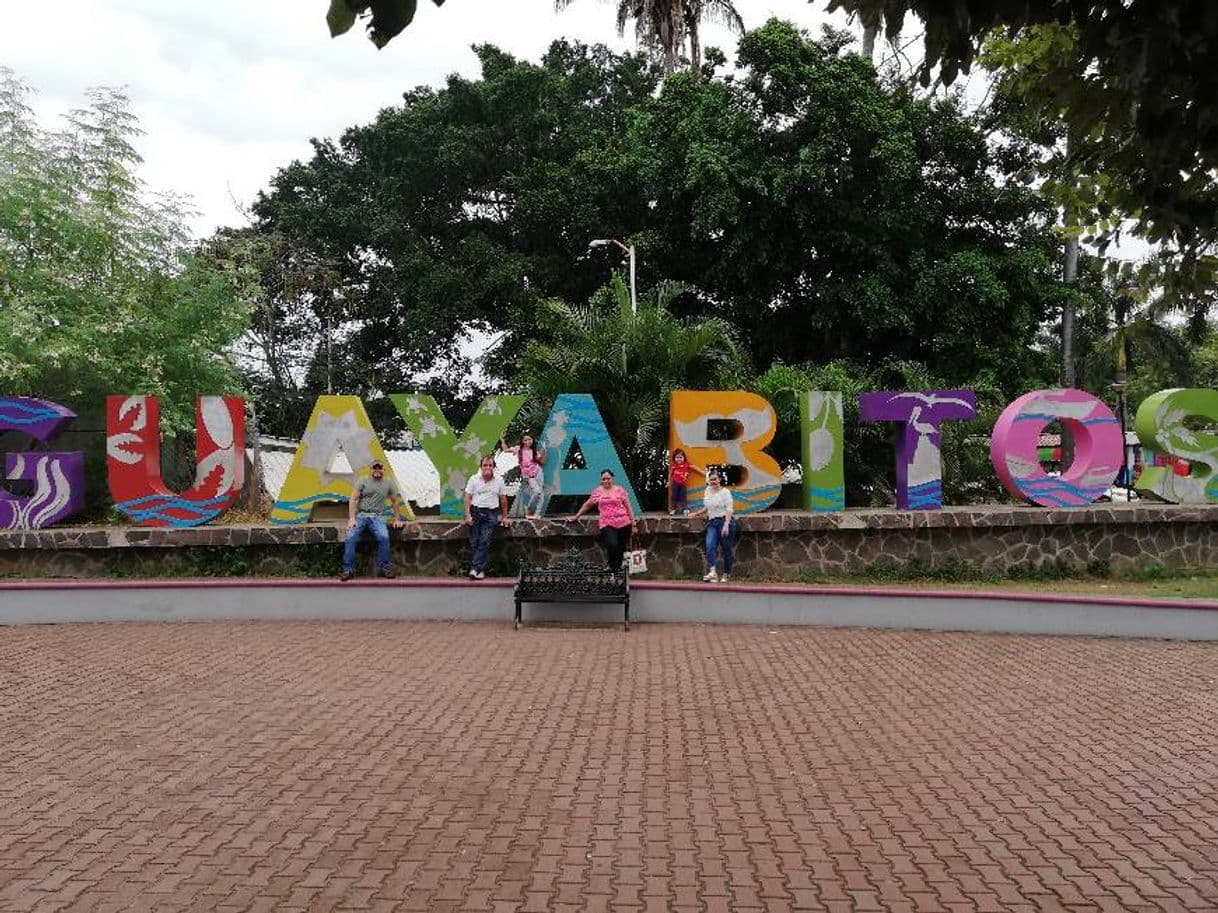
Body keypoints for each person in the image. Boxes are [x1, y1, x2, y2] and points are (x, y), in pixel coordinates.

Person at [340, 460, 406, 581]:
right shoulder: (363, 480)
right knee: (350, 537)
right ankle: (348, 570)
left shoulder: (389, 483)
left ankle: (384, 568)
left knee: (384, 537)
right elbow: (353, 499)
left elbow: (395, 501)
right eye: (374, 468)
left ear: (383, 470)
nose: (377, 470)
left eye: (379, 467)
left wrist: (397, 519)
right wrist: (351, 518)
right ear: (370, 469)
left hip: (378, 516)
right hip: (361, 516)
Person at [568, 469, 635, 570]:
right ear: (601, 480)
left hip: (624, 523)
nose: (606, 481)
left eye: (608, 478)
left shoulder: (620, 490)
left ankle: (618, 570)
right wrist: (576, 516)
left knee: (621, 547)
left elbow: (628, 506)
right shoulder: (598, 492)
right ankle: (614, 570)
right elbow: (587, 505)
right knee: (612, 544)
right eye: (604, 479)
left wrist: (633, 523)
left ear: (612, 479)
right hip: (607, 523)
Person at [464, 454, 511, 579]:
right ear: (481, 466)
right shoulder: (474, 479)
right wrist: (468, 515)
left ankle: (474, 568)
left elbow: (503, 500)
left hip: (491, 513)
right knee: (475, 541)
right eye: (485, 465)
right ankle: (480, 570)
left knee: (485, 540)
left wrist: (505, 516)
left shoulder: (499, 480)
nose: (487, 467)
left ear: (494, 467)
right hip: (476, 512)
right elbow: (468, 497)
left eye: (490, 465)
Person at [688, 469, 734, 582]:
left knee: (726, 549)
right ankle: (713, 572)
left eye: (715, 479)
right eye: (710, 479)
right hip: (712, 523)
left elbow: (729, 509)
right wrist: (697, 513)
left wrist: (726, 525)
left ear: (719, 480)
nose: (713, 482)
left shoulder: (725, 492)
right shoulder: (707, 490)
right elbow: (708, 507)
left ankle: (727, 573)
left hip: (725, 521)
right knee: (709, 546)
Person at [500, 430, 546, 518]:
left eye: (529, 439)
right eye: (525, 440)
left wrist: (544, 450)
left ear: (532, 440)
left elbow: (542, 460)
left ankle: (537, 514)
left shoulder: (534, 450)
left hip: (538, 471)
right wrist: (502, 440)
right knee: (537, 492)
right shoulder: (518, 449)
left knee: (541, 493)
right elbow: (505, 450)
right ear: (522, 441)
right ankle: (528, 508)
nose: (528, 442)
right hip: (528, 475)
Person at [668, 448, 701, 515]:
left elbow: (694, 467)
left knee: (683, 496)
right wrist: (668, 482)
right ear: (674, 458)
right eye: (677, 457)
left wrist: (702, 472)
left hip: (683, 484)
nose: (679, 459)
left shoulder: (686, 464)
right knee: (674, 496)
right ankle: (673, 509)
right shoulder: (673, 465)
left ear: (684, 458)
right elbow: (670, 474)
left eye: (680, 457)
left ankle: (685, 509)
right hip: (675, 483)